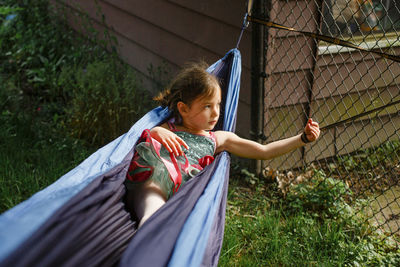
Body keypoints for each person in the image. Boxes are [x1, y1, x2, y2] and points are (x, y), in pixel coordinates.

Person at [125, 62, 320, 228]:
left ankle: (155, 227)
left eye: (218, 104)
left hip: (184, 190)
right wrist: (157, 132)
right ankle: (149, 224)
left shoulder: (219, 138)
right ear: (183, 109)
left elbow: (264, 151)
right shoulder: (168, 127)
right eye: (207, 106)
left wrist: (301, 139)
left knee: (165, 206)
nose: (216, 113)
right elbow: (146, 139)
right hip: (156, 177)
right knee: (153, 196)